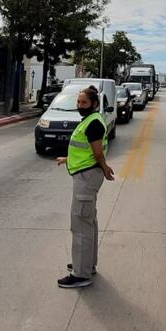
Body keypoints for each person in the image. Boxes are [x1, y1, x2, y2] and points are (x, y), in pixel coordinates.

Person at [55, 85, 114, 288]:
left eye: (84, 103)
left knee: (80, 224)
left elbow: (97, 153)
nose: (80, 106)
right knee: (88, 222)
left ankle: (81, 274)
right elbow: (85, 149)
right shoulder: (90, 120)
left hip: (87, 177)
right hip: (87, 173)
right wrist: (68, 158)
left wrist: (105, 168)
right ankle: (86, 264)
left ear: (95, 104)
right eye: (78, 102)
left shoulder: (94, 123)